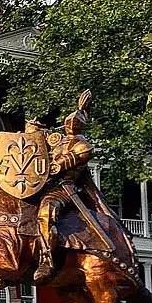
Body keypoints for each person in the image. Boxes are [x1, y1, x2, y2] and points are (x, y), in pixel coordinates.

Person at [33, 91, 96, 282]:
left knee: (45, 213)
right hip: (43, 186)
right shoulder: (60, 141)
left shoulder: (83, 147)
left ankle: (47, 259)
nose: (69, 125)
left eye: (73, 123)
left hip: (64, 189)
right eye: (68, 123)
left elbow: (58, 166)